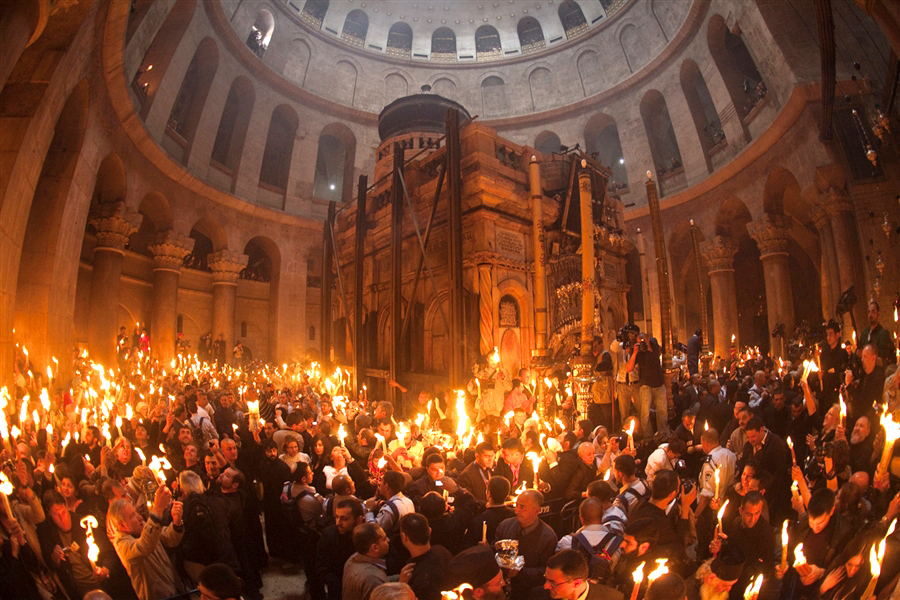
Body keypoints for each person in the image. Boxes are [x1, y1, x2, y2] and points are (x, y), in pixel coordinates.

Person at [107, 485, 184, 600]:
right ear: (122, 525)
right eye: (132, 516)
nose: (139, 517)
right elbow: (144, 545)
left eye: (136, 512)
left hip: (174, 589)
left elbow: (168, 538)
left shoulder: (143, 527)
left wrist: (177, 522)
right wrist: (157, 509)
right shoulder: (122, 544)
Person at [494, 489, 558, 598]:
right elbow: (495, 549)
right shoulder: (505, 525)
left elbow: (546, 571)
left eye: (522, 507)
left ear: (537, 510)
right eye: (516, 505)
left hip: (527, 592)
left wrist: (520, 572)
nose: (516, 511)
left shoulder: (548, 537)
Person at [397, 512, 452, 600]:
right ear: (429, 531)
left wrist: (401, 587)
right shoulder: (442, 551)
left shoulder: (414, 577)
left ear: (404, 537)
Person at [317, 499, 364, 600]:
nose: (338, 522)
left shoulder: (369, 536)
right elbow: (321, 568)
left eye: (344, 519)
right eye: (337, 517)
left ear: (359, 520)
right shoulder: (329, 535)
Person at [627, 333, 668, 437]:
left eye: (643, 341)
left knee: (662, 411)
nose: (642, 343)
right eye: (639, 342)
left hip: (659, 383)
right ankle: (648, 436)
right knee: (645, 412)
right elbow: (628, 368)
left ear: (648, 339)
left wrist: (647, 345)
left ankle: (663, 435)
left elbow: (657, 352)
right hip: (645, 385)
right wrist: (635, 352)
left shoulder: (654, 344)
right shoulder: (638, 353)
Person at [542, 549, 624, 599]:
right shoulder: (538, 596)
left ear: (577, 583)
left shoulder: (611, 598)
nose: (546, 586)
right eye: (546, 578)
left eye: (553, 583)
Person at [342, 522, 391, 600]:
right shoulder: (372, 579)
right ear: (374, 547)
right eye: (384, 539)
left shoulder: (352, 558)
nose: (388, 540)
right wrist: (400, 585)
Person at [465, 476, 515, 547]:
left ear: (488, 494)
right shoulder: (515, 516)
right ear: (507, 495)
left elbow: (469, 547)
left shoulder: (479, 521)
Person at [364, 470, 414, 536]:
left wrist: (369, 510)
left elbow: (374, 531)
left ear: (386, 486)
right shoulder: (408, 501)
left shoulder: (389, 509)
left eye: (381, 481)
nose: (379, 483)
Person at [845, 344, 886, 422]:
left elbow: (863, 404)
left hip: (868, 420)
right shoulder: (864, 374)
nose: (862, 359)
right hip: (857, 416)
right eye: (862, 356)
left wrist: (849, 385)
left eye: (865, 356)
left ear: (873, 358)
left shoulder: (877, 377)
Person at [859, 301, 896, 365]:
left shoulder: (883, 333)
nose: (870, 315)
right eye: (869, 312)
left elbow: (882, 358)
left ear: (878, 314)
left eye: (873, 312)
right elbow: (859, 349)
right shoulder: (864, 333)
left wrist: (868, 357)